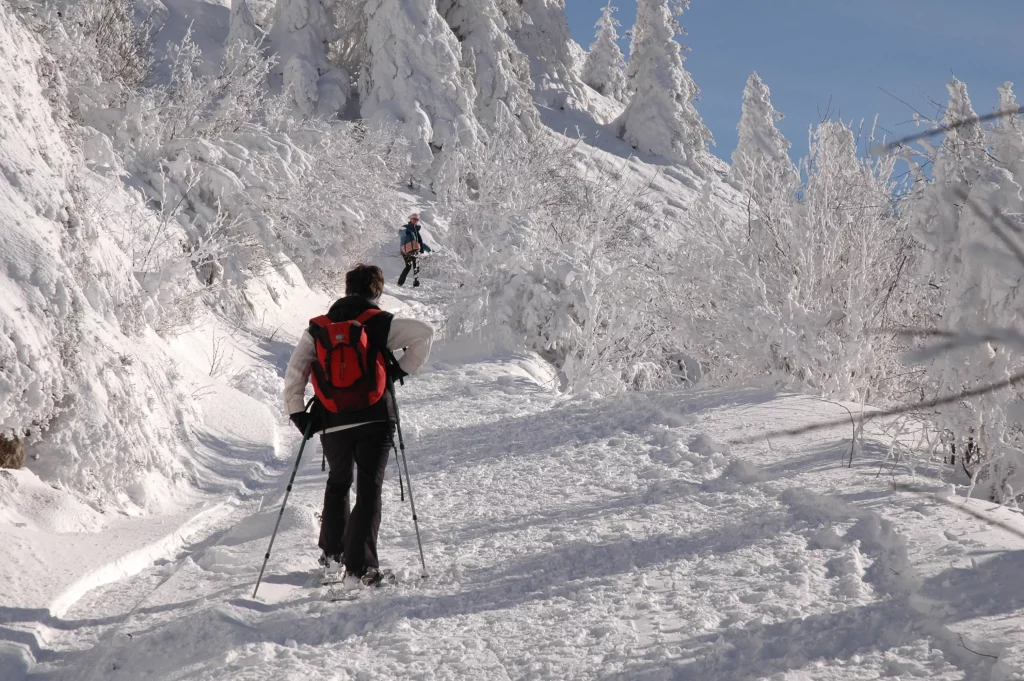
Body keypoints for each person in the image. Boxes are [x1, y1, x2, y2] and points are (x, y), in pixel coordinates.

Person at [282, 264, 434, 586]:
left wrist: (299, 413)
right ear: (376, 291)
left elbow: (295, 372)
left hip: (332, 421)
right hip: (375, 419)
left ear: (347, 288)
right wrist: (399, 372)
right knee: (368, 489)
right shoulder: (380, 323)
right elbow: (424, 334)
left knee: (338, 483)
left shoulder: (318, 327)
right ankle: (360, 568)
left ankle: (333, 557)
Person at [398, 213, 432, 287]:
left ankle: (416, 284)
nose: (415, 221)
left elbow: (419, 243)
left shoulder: (416, 230)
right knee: (408, 266)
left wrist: (429, 249)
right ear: (410, 219)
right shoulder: (406, 227)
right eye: (414, 219)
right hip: (406, 251)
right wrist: (405, 231)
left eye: (417, 219)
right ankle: (400, 283)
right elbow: (401, 233)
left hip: (414, 250)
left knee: (416, 266)